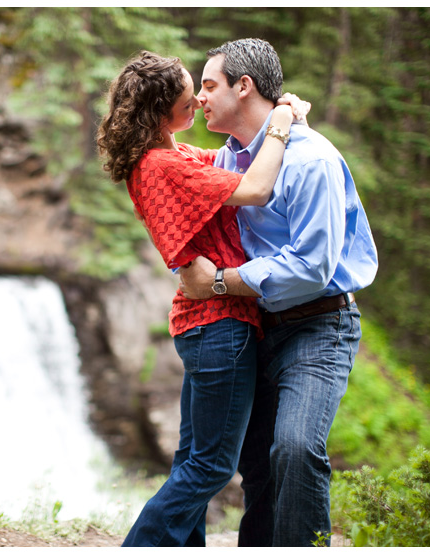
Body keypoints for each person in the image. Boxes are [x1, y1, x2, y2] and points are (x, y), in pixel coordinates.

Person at [96, 50, 309, 547]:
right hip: (219, 323)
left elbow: (237, 159)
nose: (196, 98)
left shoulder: (175, 156)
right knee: (212, 467)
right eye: (187, 95)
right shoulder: (164, 166)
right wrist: (279, 119)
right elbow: (256, 187)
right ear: (159, 108)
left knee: (192, 460)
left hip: (204, 323)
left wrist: (274, 118)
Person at [177, 38, 379, 547]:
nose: (200, 98)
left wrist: (220, 283)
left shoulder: (311, 160)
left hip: (319, 325)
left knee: (294, 448)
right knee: (257, 464)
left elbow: (312, 267)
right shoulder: (225, 160)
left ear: (244, 87)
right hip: (254, 326)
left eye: (209, 85)